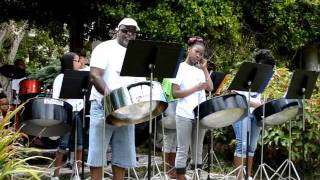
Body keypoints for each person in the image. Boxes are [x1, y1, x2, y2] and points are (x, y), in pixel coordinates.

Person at [88, 17, 143, 180]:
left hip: (126, 110)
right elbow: (94, 75)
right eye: (125, 30)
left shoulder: (136, 53)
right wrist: (109, 96)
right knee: (97, 155)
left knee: (123, 156)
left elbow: (136, 83)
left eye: (133, 32)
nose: (129, 34)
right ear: (117, 30)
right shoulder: (104, 48)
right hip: (102, 105)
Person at [172, 36, 213, 180]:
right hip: (184, 114)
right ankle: (181, 178)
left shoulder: (199, 70)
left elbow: (210, 87)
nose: (199, 55)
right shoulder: (180, 68)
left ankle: (197, 176)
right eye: (196, 52)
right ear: (189, 50)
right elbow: (175, 92)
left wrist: (205, 69)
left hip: (200, 114)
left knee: (198, 149)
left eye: (201, 54)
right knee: (183, 149)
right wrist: (195, 88)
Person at [232, 49, 276, 179]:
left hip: (255, 113)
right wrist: (254, 104)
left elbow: (258, 97)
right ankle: (240, 177)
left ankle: (248, 176)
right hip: (241, 112)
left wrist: (262, 104)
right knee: (242, 145)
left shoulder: (265, 78)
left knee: (252, 147)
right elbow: (235, 95)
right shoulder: (247, 74)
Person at [51, 52, 83, 179]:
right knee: (63, 145)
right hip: (66, 113)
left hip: (78, 112)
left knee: (80, 144)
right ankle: (56, 175)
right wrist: (71, 89)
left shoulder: (81, 77)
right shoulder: (60, 78)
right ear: (70, 62)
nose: (79, 63)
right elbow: (58, 98)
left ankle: (77, 174)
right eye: (77, 60)